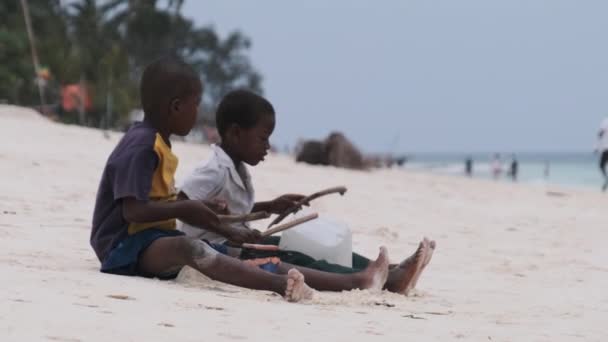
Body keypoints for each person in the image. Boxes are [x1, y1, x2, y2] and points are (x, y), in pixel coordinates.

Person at [89, 57, 416, 302]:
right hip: (122, 247)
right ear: (175, 107)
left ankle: (364, 275)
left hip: (148, 239)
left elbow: (162, 203)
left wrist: (196, 206)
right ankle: (283, 284)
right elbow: (132, 212)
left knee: (238, 250)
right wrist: (189, 208)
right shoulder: (142, 146)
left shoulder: (157, 143)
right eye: (195, 104)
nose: (198, 111)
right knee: (193, 247)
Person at [178, 89, 435, 295]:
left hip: (237, 240)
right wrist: (227, 230)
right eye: (263, 138)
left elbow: (229, 210)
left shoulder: (236, 168)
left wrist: (269, 206)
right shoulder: (213, 169)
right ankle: (365, 279)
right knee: (295, 254)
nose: (268, 146)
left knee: (303, 248)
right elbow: (183, 204)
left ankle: (389, 273)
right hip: (220, 248)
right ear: (235, 133)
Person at [596, 118, 608, 191]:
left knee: (601, 165)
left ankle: (606, 178)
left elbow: (600, 134)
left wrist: (597, 146)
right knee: (601, 165)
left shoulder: (605, 121)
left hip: (606, 148)